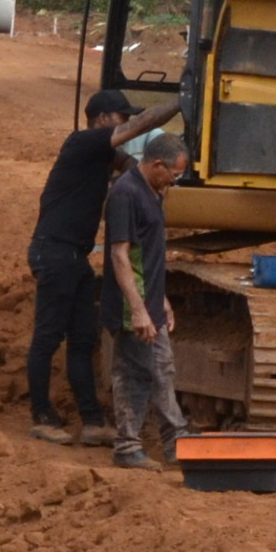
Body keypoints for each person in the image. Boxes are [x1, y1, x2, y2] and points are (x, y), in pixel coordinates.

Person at [27, 87, 180, 441]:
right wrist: (182, 101)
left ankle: (93, 422)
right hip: (54, 251)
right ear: (101, 121)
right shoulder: (82, 142)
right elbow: (143, 125)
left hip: (75, 255)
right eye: (120, 119)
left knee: (82, 340)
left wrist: (144, 171)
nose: (127, 125)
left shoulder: (99, 156)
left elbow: (128, 166)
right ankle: (42, 417)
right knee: (47, 337)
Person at [104, 128, 191, 469]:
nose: (175, 181)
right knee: (147, 372)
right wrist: (139, 310)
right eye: (174, 174)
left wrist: (161, 297)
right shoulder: (126, 194)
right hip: (131, 307)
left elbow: (149, 255)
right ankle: (150, 445)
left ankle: (152, 443)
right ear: (157, 165)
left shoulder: (153, 192)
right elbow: (120, 256)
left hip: (149, 301)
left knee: (149, 372)